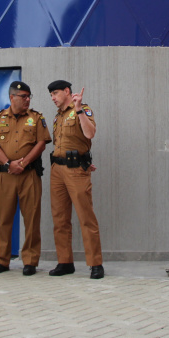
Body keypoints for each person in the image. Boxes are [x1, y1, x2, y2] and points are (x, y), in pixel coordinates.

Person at [0, 81, 51, 276]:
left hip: (28, 175)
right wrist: (8, 164)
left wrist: (22, 163)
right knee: (3, 219)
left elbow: (41, 144)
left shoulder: (36, 118)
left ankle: (30, 261)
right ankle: (2, 260)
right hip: (5, 176)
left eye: (29, 96)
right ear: (12, 97)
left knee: (31, 219)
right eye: (23, 96)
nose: (27, 100)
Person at [47, 80, 103, 279]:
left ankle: (95, 263)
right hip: (57, 170)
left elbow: (90, 134)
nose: (53, 98)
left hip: (76, 171)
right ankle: (65, 262)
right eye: (51, 95)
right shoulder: (58, 116)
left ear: (67, 91)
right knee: (60, 219)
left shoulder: (83, 109)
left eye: (55, 93)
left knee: (86, 217)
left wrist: (78, 110)